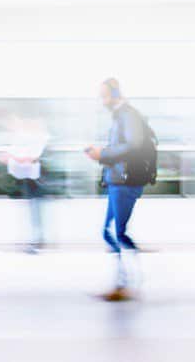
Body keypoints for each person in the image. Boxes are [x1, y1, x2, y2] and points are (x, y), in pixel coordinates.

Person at [84, 78, 157, 302]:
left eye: (104, 95)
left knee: (117, 232)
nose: (102, 100)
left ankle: (126, 283)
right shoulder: (121, 116)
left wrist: (103, 154)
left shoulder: (127, 114)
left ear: (115, 94)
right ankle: (126, 281)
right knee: (110, 231)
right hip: (118, 180)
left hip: (126, 182)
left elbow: (133, 146)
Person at [2, 115, 49, 254]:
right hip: (30, 180)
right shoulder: (33, 140)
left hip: (37, 181)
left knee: (35, 211)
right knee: (33, 211)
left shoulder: (42, 139)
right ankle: (35, 242)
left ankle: (36, 243)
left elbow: (32, 158)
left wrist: (14, 157)